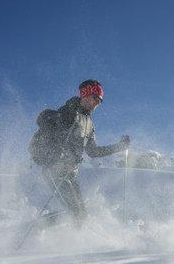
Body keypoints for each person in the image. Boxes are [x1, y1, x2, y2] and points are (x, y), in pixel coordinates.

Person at [29, 79, 130, 225]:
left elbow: (93, 151)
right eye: (96, 98)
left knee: (81, 214)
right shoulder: (69, 111)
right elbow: (56, 137)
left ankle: (54, 229)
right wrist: (61, 157)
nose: (97, 103)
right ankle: (38, 227)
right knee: (75, 212)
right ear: (85, 95)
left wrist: (119, 147)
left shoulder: (89, 125)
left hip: (71, 173)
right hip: (54, 169)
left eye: (100, 101)